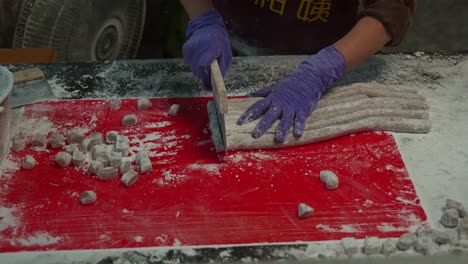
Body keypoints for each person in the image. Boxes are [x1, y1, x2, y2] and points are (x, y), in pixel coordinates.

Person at [180, 0, 416, 143]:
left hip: (332, 50)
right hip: (226, 39)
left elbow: (392, 7)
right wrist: (204, 19)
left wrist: (323, 69)